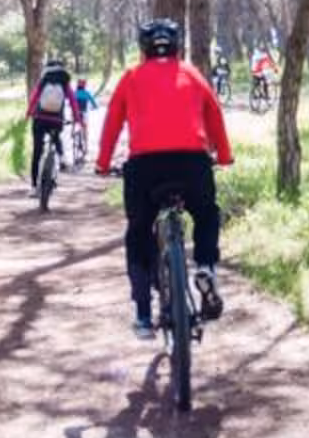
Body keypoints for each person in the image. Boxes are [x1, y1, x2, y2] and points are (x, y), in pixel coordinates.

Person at [95, 19, 233, 338]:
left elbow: (112, 124)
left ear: (143, 48)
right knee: (207, 213)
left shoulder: (130, 77)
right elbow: (215, 116)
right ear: (177, 47)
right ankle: (205, 267)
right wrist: (223, 155)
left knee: (139, 232)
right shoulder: (193, 75)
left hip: (145, 167)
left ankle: (143, 314)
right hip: (192, 163)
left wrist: (103, 163)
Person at [26, 57, 82, 195]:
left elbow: (34, 98)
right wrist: (77, 119)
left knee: (37, 152)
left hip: (40, 119)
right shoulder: (64, 82)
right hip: (56, 121)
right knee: (56, 138)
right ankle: (62, 158)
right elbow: (73, 102)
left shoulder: (43, 81)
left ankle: (33, 186)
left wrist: (28, 114)